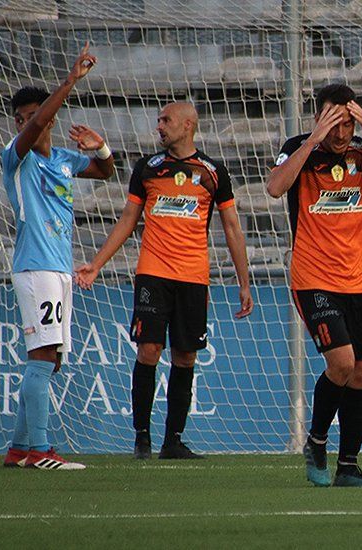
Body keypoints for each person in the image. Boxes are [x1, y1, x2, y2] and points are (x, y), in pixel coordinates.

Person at [75, 102, 253, 460]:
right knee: (149, 350)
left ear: (188, 125)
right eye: (158, 120)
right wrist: (96, 264)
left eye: (165, 120)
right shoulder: (147, 168)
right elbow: (128, 219)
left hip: (193, 277)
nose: (159, 126)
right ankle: (142, 437)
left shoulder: (212, 171)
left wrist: (244, 282)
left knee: (185, 356)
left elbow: (231, 226)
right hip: (153, 273)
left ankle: (173, 440)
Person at [266, 84, 362, 487]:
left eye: (348, 123)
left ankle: (348, 466)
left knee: (361, 374)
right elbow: (275, 186)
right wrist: (313, 139)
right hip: (313, 277)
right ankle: (316, 442)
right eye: (334, 122)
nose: (341, 132)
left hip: (358, 279)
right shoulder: (300, 147)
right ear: (320, 118)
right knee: (341, 363)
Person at [1, 44, 115, 470]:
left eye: (33, 115)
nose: (28, 123)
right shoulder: (17, 155)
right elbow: (40, 124)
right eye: (22, 118)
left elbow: (106, 172)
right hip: (35, 267)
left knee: (53, 358)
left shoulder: (64, 159)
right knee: (42, 356)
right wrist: (70, 80)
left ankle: (17, 448)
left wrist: (100, 147)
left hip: (59, 268)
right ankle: (41, 450)